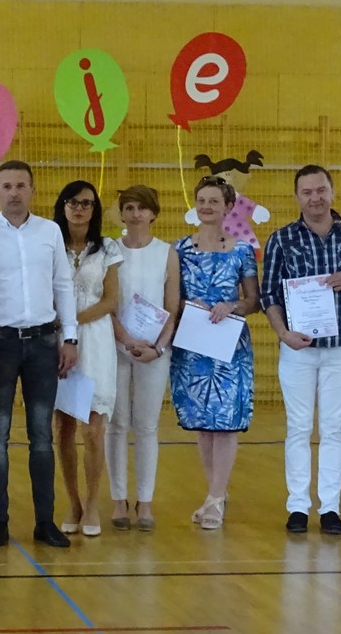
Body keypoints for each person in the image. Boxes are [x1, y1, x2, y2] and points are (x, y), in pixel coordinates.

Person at [261, 164, 341, 535]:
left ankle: (330, 508)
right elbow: (269, 294)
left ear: (332, 192)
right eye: (307, 192)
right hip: (297, 350)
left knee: (333, 429)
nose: (315, 198)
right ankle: (298, 507)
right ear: (297, 197)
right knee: (298, 428)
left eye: (320, 190)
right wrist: (283, 333)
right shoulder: (281, 239)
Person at [0, 160, 78, 549]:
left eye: (20, 185)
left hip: (44, 343)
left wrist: (71, 338)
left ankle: (44, 521)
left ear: (32, 189)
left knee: (42, 437)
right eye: (7, 186)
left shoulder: (50, 232)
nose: (14, 192)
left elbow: (63, 285)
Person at [170, 175, 259, 531]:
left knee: (224, 423)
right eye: (202, 200)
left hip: (228, 346)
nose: (206, 207)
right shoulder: (179, 249)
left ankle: (217, 498)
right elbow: (171, 297)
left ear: (228, 207)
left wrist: (231, 306)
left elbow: (253, 299)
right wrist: (187, 306)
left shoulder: (242, 250)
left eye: (214, 201)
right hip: (193, 344)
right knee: (203, 426)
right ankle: (214, 494)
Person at [52, 180, 121, 536]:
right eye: (73, 202)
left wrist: (72, 321)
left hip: (94, 341)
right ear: (62, 206)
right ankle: (73, 501)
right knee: (62, 427)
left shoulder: (108, 248)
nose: (79, 209)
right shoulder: (50, 243)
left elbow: (110, 301)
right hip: (56, 342)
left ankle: (93, 503)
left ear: (95, 209)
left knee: (93, 430)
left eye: (86, 203)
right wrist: (62, 327)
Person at [105, 185, 176, 532]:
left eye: (142, 208)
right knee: (116, 424)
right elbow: (106, 301)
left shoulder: (167, 252)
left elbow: (172, 307)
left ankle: (144, 500)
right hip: (116, 347)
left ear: (153, 214)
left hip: (154, 351)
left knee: (146, 426)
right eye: (129, 208)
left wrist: (158, 348)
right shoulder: (110, 250)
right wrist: (126, 339)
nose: (135, 214)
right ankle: (118, 498)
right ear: (121, 214)